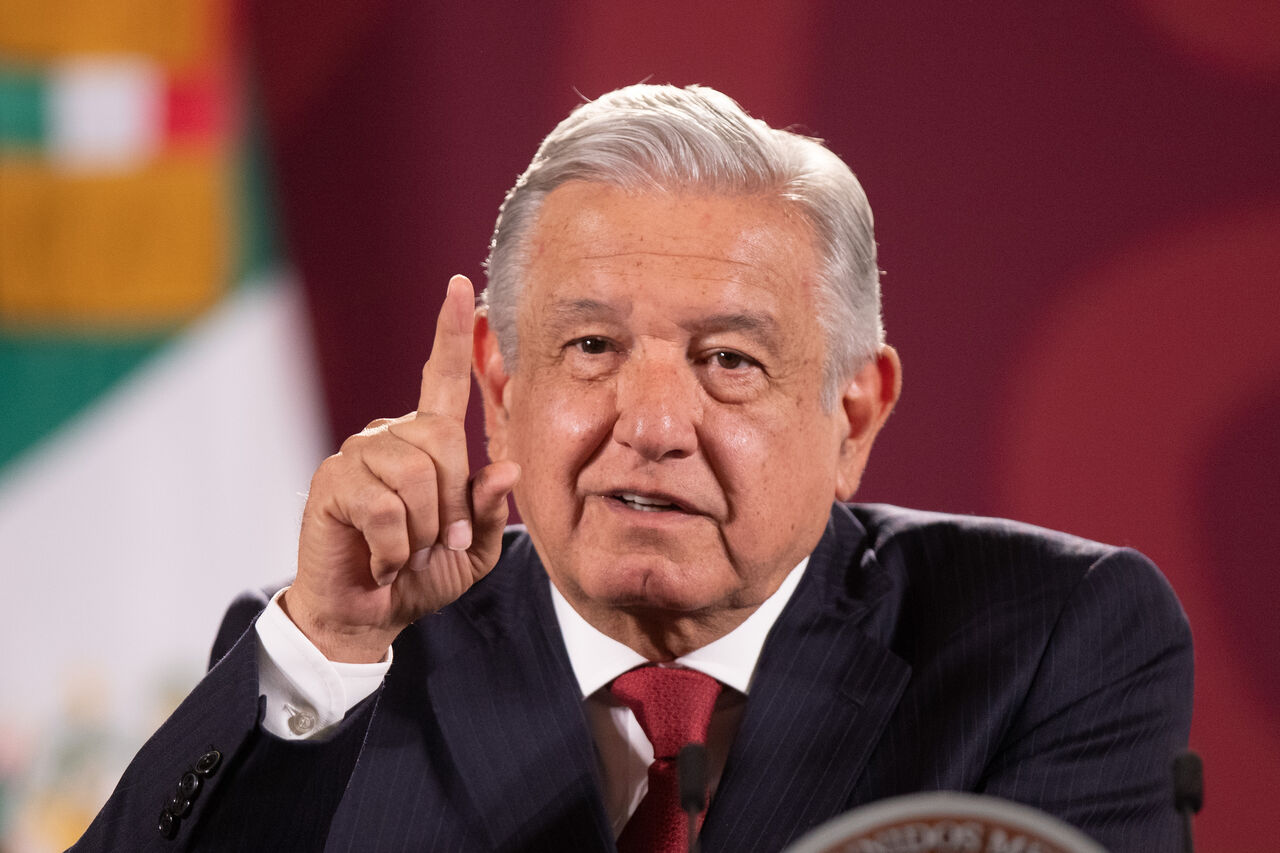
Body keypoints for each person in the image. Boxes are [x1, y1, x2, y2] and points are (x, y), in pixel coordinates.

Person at [74, 84, 1192, 852]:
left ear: (852, 415)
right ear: (502, 389)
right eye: (592, 347)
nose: (651, 424)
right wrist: (329, 642)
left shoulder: (1043, 643)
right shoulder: (341, 663)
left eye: (728, 359)